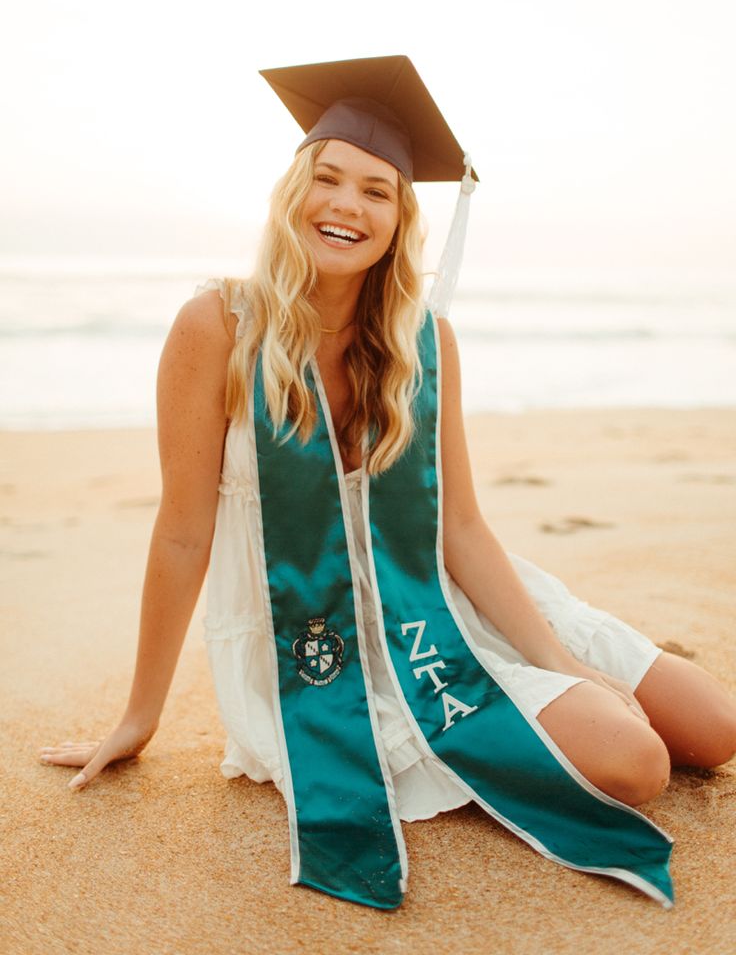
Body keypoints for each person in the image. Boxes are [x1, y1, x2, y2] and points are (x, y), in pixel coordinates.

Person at [40, 56, 736, 910]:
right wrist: (139, 716)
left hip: (448, 600)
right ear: (291, 195)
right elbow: (183, 531)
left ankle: (547, 687)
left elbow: (464, 530)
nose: (345, 205)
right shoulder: (218, 327)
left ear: (401, 219)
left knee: (714, 726)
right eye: (327, 179)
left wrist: (560, 660)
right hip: (330, 643)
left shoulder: (424, 341)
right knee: (637, 764)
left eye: (376, 190)